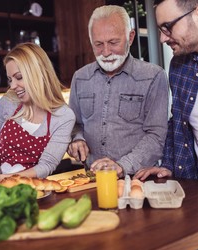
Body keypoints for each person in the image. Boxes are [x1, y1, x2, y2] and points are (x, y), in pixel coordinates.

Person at [68, 5, 169, 178]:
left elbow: (156, 136)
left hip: (138, 180)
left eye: (113, 42)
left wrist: (122, 166)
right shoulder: (80, 78)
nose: (106, 52)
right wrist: (77, 139)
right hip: (92, 180)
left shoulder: (153, 76)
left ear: (130, 38)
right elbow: (74, 124)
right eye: (98, 44)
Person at [135, 0, 198, 181]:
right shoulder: (180, 66)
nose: (163, 38)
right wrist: (168, 165)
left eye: (167, 27)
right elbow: (178, 123)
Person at [0, 42, 75, 181]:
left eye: (19, 77)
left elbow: (46, 165)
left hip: (31, 189)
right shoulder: (8, 102)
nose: (13, 86)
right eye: (10, 80)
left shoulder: (63, 116)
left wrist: (3, 178)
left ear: (38, 73)